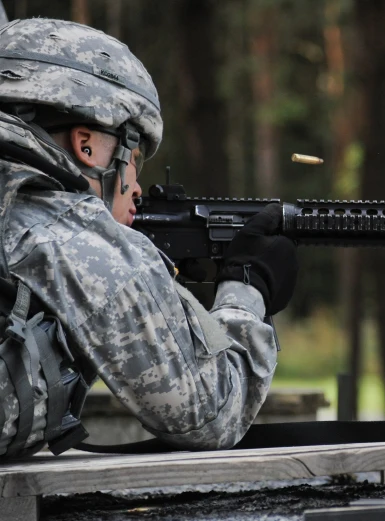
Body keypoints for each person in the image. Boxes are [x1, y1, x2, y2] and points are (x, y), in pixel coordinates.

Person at [0, 18, 298, 458]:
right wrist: (245, 291)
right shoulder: (77, 240)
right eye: (134, 158)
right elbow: (211, 415)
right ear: (86, 146)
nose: (137, 186)